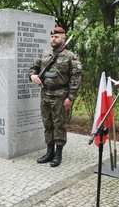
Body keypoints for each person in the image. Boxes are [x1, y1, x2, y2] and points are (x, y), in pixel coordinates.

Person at [29, 27, 82, 167]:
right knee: (47, 124)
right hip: (45, 94)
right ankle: (49, 152)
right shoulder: (45, 55)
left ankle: (58, 154)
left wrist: (70, 97)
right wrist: (33, 76)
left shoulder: (70, 56)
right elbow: (33, 68)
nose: (53, 39)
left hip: (60, 96)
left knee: (59, 125)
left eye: (57, 37)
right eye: (52, 37)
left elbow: (76, 78)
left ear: (63, 38)